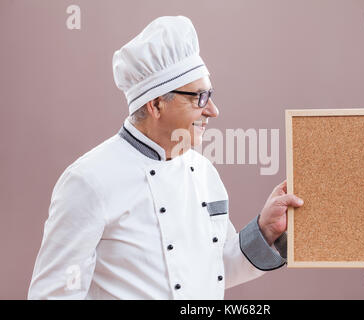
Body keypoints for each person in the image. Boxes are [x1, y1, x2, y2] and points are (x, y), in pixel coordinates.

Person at [28, 16, 303, 299]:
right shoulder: (89, 182)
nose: (213, 110)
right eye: (200, 97)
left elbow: (212, 270)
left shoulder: (203, 171)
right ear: (156, 104)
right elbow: (53, 293)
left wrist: (265, 230)